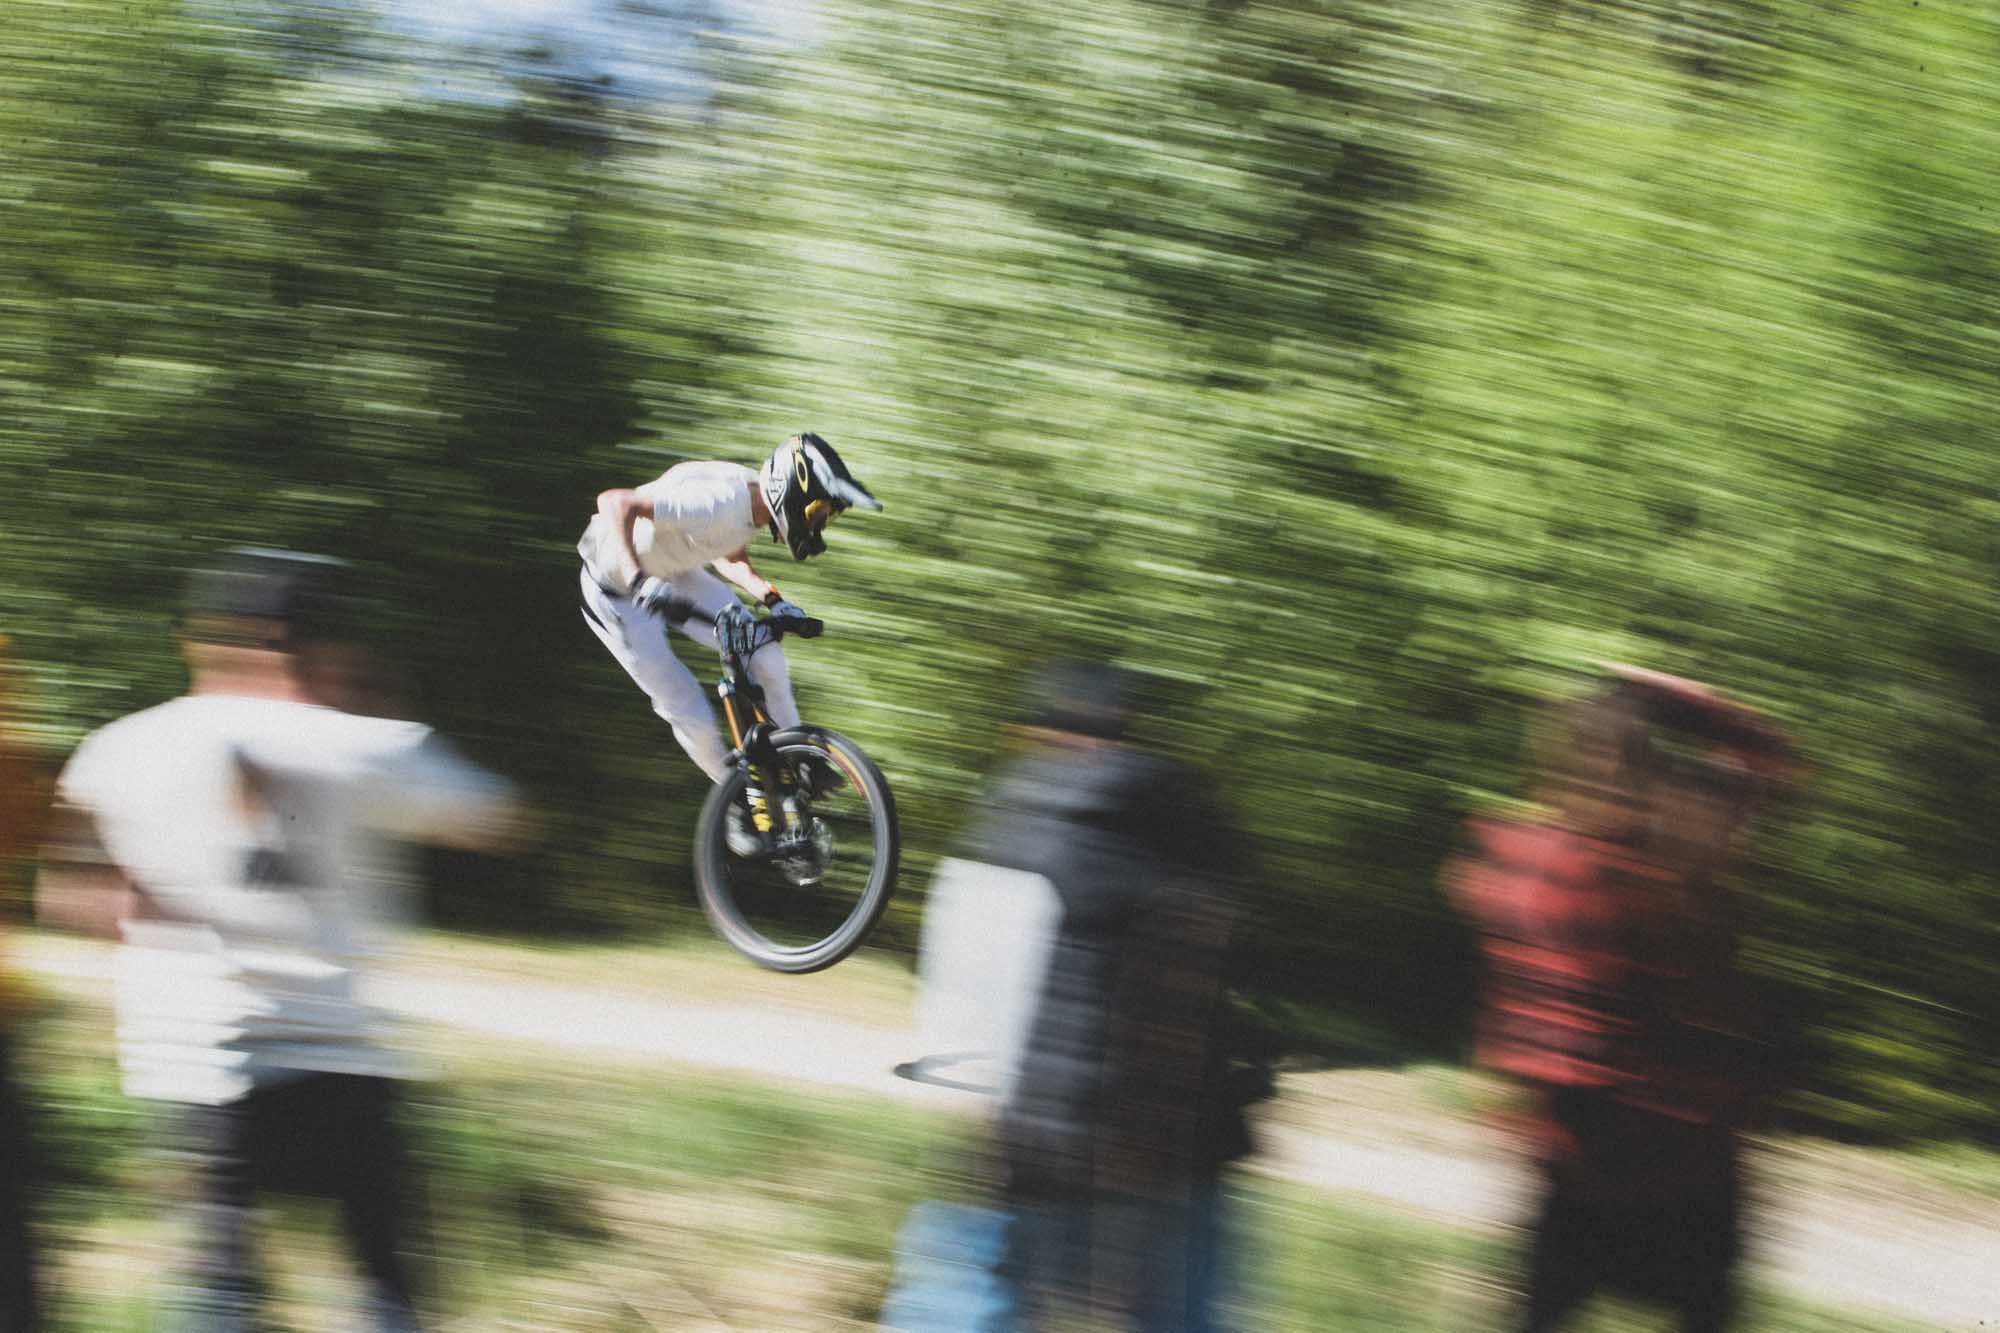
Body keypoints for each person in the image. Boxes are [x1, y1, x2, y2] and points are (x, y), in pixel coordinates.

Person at [37, 549, 524, 1333]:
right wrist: (375, 711)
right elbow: (494, 816)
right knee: (383, 1287)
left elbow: (76, 900)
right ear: (326, 643)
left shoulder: (121, 747)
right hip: (345, 1060)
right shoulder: (370, 744)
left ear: (203, 637)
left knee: (219, 1290)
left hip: (201, 1064)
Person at [1447, 665, 1798, 1333]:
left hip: (1621, 1176)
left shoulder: (1529, 864)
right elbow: (1771, 760)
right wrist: (1683, 699)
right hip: (1643, 1177)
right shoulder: (1649, 870)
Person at [959, 663, 1263, 1332]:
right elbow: (1213, 984)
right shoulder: (1183, 817)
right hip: (1176, 1151)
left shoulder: (1008, 815)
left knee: (983, 1300)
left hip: (1029, 1142)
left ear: (1037, 731)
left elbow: (967, 1006)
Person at [576, 433, 881, 844]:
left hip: (675, 571)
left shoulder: (753, 507)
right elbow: (615, 503)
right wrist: (637, 579)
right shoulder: (716, 501)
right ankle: (734, 801)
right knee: (689, 709)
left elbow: (727, 552)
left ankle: (799, 759)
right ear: (793, 491)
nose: (817, 525)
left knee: (765, 655)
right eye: (818, 513)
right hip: (614, 591)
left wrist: (773, 600)